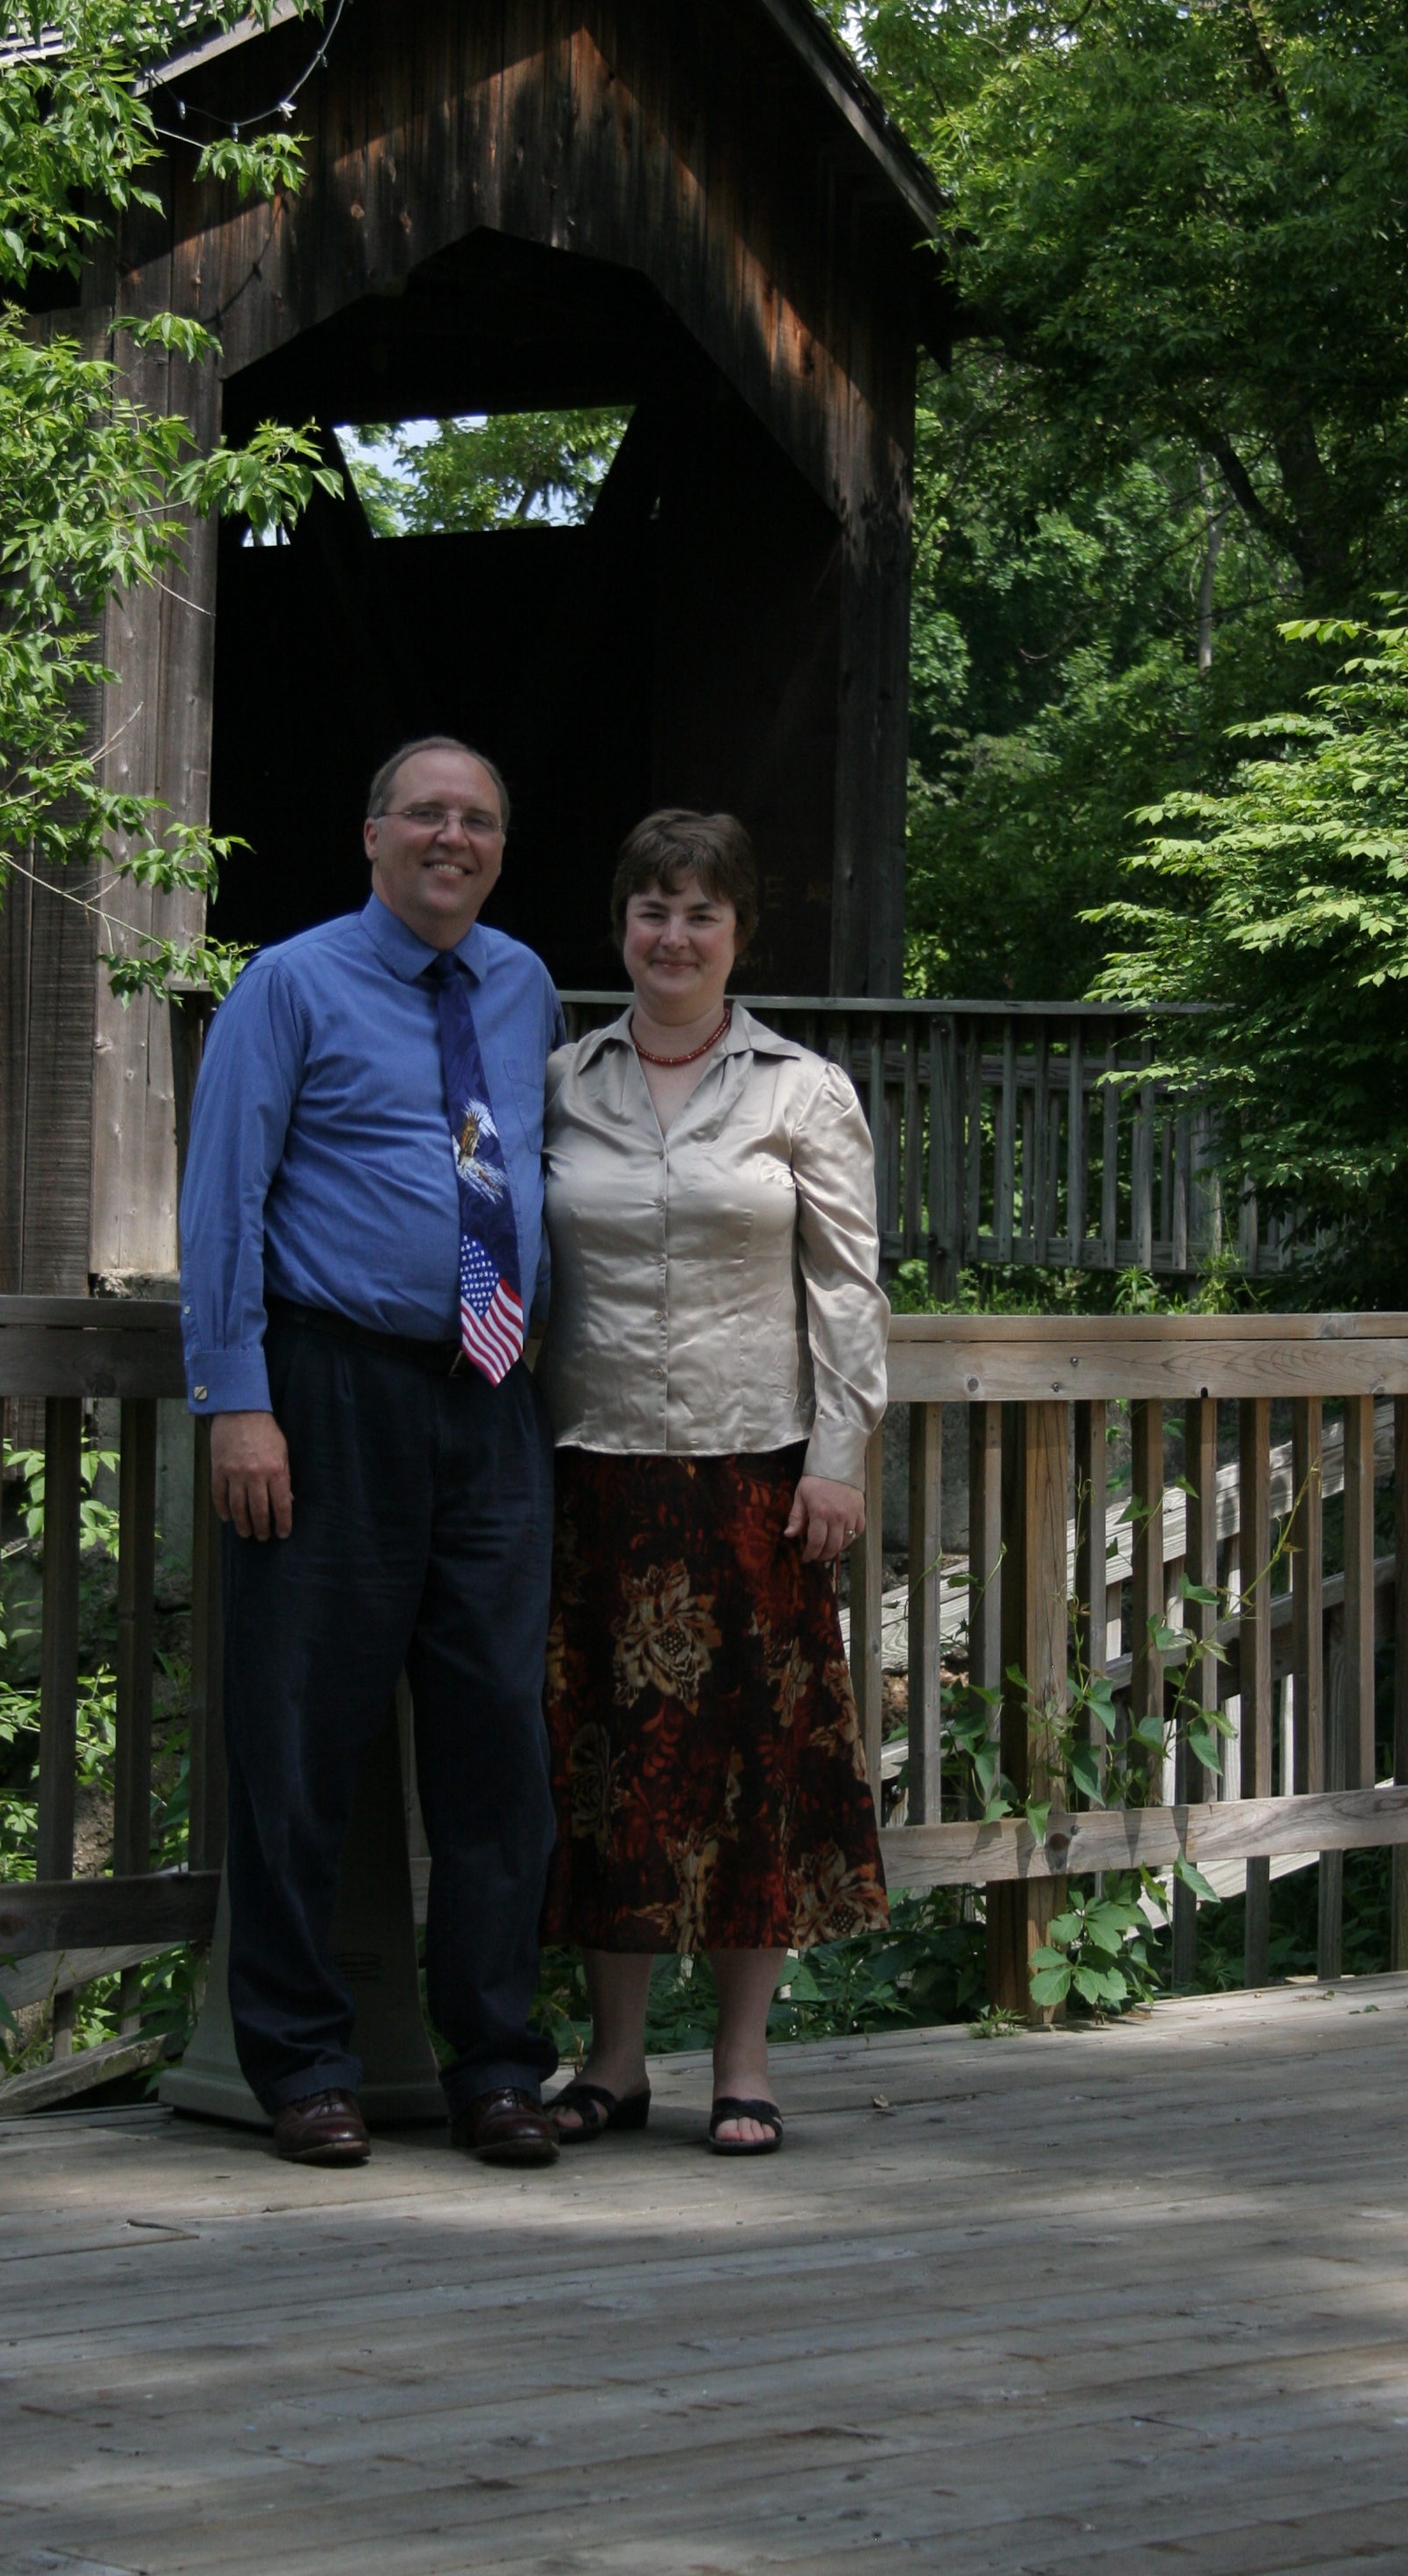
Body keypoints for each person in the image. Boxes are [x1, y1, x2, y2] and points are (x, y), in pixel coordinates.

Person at [178, 736, 565, 2171]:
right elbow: (223, 1198)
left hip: (491, 1398)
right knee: (299, 1738)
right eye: (426, 815)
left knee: (498, 1746)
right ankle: (303, 2067)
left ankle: (499, 2066)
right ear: (372, 835)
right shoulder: (288, 985)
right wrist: (237, 1400)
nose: (451, 838)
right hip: (327, 1392)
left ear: (500, 849)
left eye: (478, 820)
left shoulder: (523, 986)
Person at [535, 808, 891, 2154]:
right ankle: (615, 2060)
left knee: (757, 1765)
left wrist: (839, 1459)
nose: (673, 936)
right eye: (652, 910)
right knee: (605, 1763)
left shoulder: (803, 1091)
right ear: (621, 926)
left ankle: (743, 2063)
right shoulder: (559, 1082)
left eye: (701, 913)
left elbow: (847, 1292)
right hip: (593, 1470)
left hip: (757, 1476)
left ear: (739, 933)